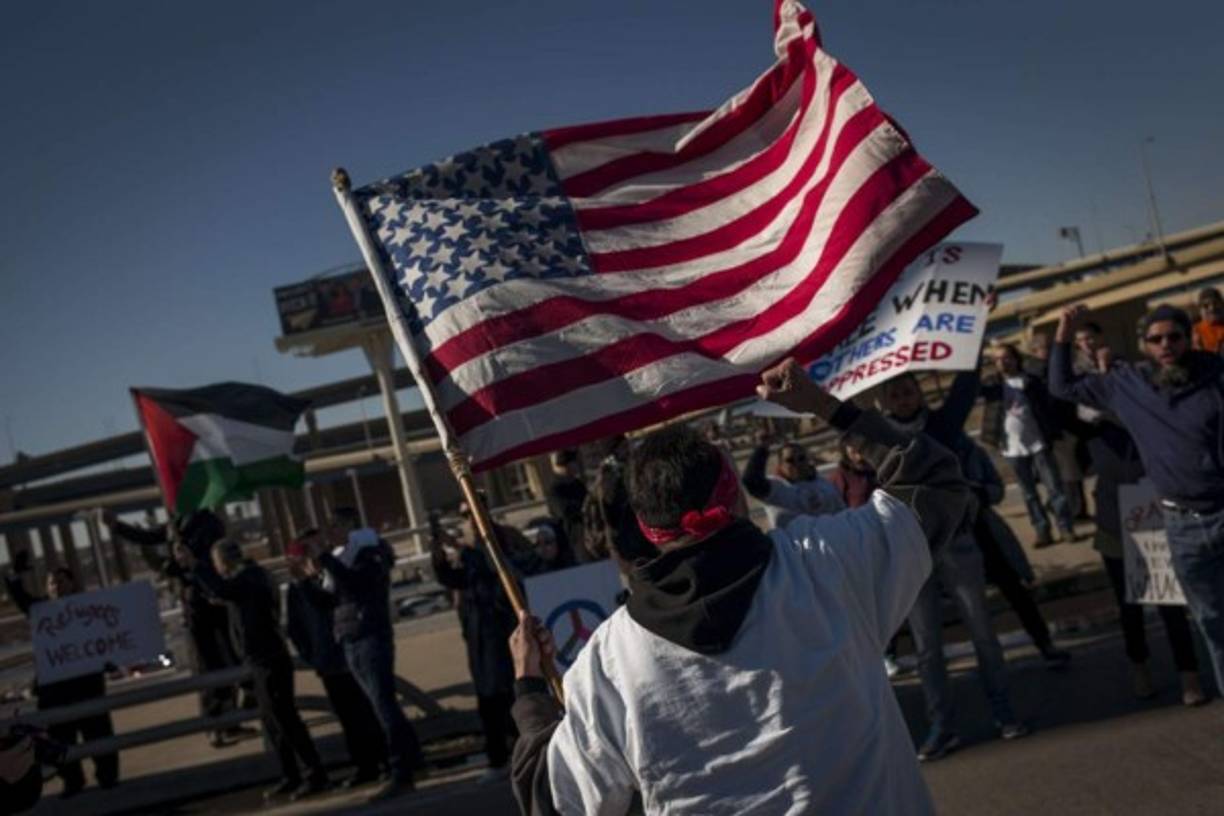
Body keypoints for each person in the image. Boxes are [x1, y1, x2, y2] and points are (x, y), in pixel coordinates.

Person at [507, 358, 973, 815]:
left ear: (647, 528)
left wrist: (530, 686)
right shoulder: (825, 561)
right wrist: (823, 405)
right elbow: (934, 481)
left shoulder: (609, 663)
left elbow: (551, 800)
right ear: (733, 494)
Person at [1051, 302, 1224, 695]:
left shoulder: (1214, 375)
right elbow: (1061, 387)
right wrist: (1064, 329)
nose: (1166, 345)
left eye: (1174, 337)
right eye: (1156, 339)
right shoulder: (1127, 385)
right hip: (1180, 525)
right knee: (1213, 623)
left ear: (1189, 338)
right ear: (1144, 345)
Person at [879, 370, 1031, 759]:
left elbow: (966, 383)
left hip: (957, 546)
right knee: (928, 647)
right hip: (912, 553)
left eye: (908, 391)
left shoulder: (944, 426)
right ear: (884, 403)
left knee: (983, 632)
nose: (903, 399)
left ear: (920, 393)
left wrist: (977, 323)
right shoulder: (876, 439)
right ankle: (941, 727)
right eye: (894, 394)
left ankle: (1005, 712)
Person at [174, 539, 328, 803]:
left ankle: (314, 774)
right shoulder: (249, 578)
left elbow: (223, 589)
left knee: (285, 719)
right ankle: (291, 774)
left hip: (268, 657)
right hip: (259, 659)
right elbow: (224, 593)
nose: (217, 568)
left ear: (225, 560)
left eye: (216, 562)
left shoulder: (250, 577)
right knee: (273, 722)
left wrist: (195, 565)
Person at [102, 509, 252, 747]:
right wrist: (118, 526)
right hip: (197, 605)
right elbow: (149, 537)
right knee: (209, 665)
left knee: (228, 660)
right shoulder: (178, 523)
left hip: (213, 598)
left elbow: (203, 553)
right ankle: (217, 725)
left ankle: (231, 720)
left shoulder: (206, 522)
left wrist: (181, 561)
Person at [310, 507, 425, 803]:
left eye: (335, 525)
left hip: (369, 634)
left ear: (350, 525)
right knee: (380, 704)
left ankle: (402, 770)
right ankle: (412, 760)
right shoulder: (343, 557)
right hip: (351, 634)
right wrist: (308, 577)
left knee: (383, 704)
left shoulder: (368, 553)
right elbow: (332, 599)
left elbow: (357, 585)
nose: (330, 532)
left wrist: (325, 559)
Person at [430, 503, 530, 783]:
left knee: (510, 696)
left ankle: (521, 752)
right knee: (488, 699)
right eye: (464, 517)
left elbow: (495, 566)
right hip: (479, 635)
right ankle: (498, 756)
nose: (469, 522)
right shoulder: (471, 552)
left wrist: (463, 550)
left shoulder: (498, 539)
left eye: (471, 514)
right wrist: (438, 552)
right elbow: (453, 579)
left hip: (502, 631)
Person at [3, 557, 118, 797]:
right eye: (51, 584)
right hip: (56, 689)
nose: (56, 587)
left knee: (97, 731)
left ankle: (108, 777)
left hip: (87, 684)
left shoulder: (89, 609)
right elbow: (20, 596)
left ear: (72, 584)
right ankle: (73, 781)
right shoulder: (42, 611)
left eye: (60, 581)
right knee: (61, 738)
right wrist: (15, 573)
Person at [285, 532, 387, 787]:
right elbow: (296, 627)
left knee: (367, 710)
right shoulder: (299, 589)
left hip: (348, 651)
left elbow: (336, 599)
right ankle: (365, 764)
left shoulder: (334, 575)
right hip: (328, 660)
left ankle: (384, 758)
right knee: (348, 717)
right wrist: (311, 655)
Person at [982, 344, 1078, 546]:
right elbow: (974, 389)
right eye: (998, 360)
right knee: (1029, 494)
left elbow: (1044, 378)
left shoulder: (1031, 381)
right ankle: (1042, 531)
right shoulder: (993, 386)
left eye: (1007, 358)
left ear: (1016, 358)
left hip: (1038, 444)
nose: (1003, 363)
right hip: (1012, 448)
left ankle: (1066, 528)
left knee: (1055, 490)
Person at [741, 434, 846, 528]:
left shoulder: (824, 484)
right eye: (790, 460)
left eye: (801, 458)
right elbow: (751, 481)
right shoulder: (776, 488)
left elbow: (843, 514)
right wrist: (763, 448)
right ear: (780, 465)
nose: (797, 463)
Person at [546, 450, 590, 562]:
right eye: (573, 463)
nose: (576, 466)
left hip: (587, 532)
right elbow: (563, 511)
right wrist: (582, 507)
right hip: (571, 538)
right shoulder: (555, 489)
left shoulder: (577, 484)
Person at [1192, 286, 1224, 353]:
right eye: (1206, 306)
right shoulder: (1196, 331)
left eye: (1215, 304)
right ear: (1200, 310)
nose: (1212, 308)